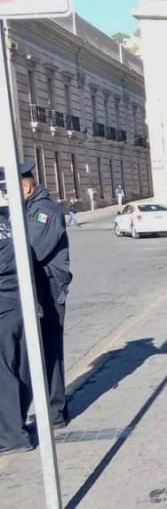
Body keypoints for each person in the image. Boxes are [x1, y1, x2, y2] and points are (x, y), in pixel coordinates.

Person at [21, 161, 72, 427]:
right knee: (35, 350)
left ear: (29, 184)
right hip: (35, 287)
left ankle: (55, 412)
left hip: (49, 289)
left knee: (50, 349)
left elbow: (32, 249)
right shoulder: (25, 210)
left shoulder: (44, 210)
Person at [0, 186, 33, 457]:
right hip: (18, 299)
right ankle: (19, 424)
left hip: (3, 302)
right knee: (19, 366)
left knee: (4, 372)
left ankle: (12, 436)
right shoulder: (8, 221)